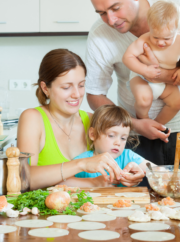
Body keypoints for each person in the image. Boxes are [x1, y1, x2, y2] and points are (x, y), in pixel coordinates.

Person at [85, 0, 180, 187]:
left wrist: (156, 74)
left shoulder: (175, 10)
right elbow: (95, 94)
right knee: (139, 210)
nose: (111, 20)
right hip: (135, 137)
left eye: (115, 8)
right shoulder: (99, 34)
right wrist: (135, 124)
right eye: (102, 13)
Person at [17, 49, 145, 190]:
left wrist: (132, 174)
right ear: (45, 88)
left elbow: (120, 158)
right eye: (66, 87)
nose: (77, 94)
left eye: (81, 85)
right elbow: (23, 178)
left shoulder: (92, 120)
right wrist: (83, 167)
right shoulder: (33, 118)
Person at [123, 0, 180, 125]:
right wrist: (144, 70)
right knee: (144, 100)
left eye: (167, 38)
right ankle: (144, 122)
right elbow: (127, 57)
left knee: (176, 103)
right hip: (141, 78)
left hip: (164, 83)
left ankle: (156, 125)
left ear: (178, 29)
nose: (160, 43)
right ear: (150, 27)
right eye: (155, 37)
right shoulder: (144, 40)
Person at [62, 105, 155, 187]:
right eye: (111, 136)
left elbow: (161, 172)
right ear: (93, 134)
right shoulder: (82, 161)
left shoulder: (128, 157)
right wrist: (93, 182)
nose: (118, 143)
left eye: (123, 138)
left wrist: (140, 173)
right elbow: (61, 184)